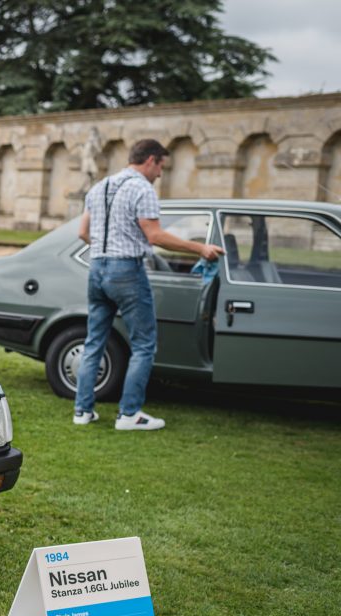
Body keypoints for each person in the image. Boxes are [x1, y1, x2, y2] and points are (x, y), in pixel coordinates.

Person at [73, 139, 224, 431]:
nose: (160, 174)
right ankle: (129, 415)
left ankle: (83, 411)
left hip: (97, 268)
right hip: (127, 270)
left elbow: (82, 232)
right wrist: (200, 249)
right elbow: (154, 236)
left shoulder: (99, 186)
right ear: (151, 160)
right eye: (161, 167)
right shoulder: (142, 188)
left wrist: (106, 250)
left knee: (93, 341)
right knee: (144, 344)